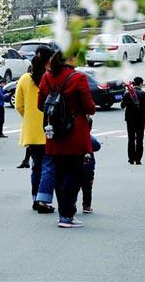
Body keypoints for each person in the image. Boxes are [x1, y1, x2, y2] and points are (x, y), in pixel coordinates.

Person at [38, 51, 96, 228]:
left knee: (59, 173)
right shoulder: (78, 78)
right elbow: (89, 107)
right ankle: (66, 215)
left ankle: (63, 213)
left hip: (54, 132)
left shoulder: (47, 77)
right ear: (70, 59)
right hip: (74, 132)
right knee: (75, 173)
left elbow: (41, 105)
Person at [16, 45, 57, 214]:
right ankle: (43, 200)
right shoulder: (51, 78)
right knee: (49, 165)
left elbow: (19, 105)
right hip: (50, 128)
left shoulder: (25, 79)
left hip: (32, 131)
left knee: (36, 166)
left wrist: (30, 118)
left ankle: (35, 198)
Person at [121, 76, 145, 165]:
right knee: (140, 139)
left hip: (130, 119)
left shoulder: (127, 93)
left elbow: (122, 106)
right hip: (141, 119)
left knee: (131, 139)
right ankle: (138, 159)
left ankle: (131, 159)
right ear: (141, 84)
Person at [79, 117, 101, 214]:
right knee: (87, 188)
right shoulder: (90, 138)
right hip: (88, 168)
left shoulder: (76, 137)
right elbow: (97, 146)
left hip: (76, 166)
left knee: (74, 187)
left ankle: (71, 204)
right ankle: (86, 206)